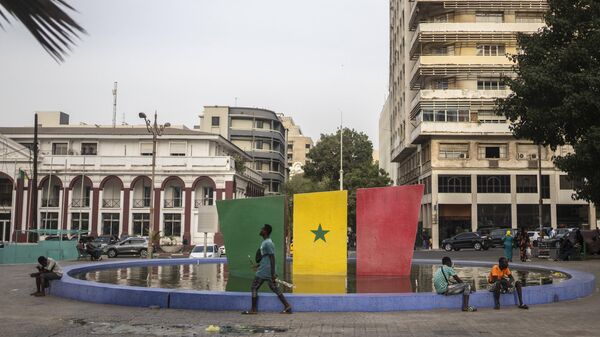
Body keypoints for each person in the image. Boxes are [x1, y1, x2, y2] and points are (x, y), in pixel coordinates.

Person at [242, 224, 292, 315]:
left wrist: (272, 273)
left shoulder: (267, 243)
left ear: (265, 231)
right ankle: (287, 306)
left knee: (254, 287)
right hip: (265, 269)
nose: (260, 230)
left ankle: (253, 309)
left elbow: (272, 257)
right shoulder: (266, 242)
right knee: (275, 288)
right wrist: (258, 266)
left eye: (262, 229)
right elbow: (266, 258)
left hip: (265, 271)